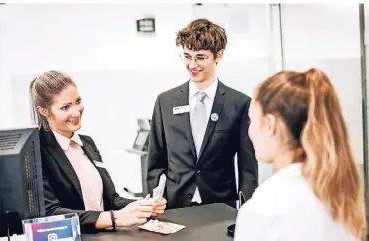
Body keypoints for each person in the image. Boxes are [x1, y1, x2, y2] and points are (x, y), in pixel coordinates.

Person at [234, 68, 367, 241]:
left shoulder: (263, 208)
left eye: (252, 120)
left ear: (270, 125)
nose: (249, 130)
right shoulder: (341, 195)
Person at [29, 70, 167, 233]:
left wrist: (141, 206)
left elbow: (111, 199)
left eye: (77, 101)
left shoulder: (86, 143)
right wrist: (115, 218)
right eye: (65, 107)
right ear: (44, 111)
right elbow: (50, 214)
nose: (76, 111)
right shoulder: (35, 151)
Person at [147, 18, 258, 209]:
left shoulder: (238, 104)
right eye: (187, 56)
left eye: (200, 57)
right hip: (175, 206)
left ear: (218, 55)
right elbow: (155, 163)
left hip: (221, 206)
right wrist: (154, 202)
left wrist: (247, 209)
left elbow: (248, 168)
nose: (192, 65)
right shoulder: (165, 102)